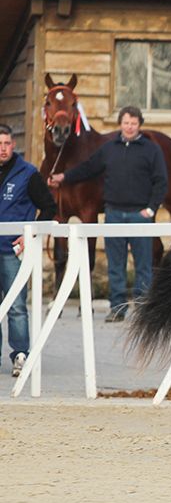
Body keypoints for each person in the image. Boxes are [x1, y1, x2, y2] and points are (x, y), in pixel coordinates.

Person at [48, 107, 167, 322]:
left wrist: (151, 209)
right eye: (126, 123)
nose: (129, 127)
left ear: (139, 125)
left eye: (133, 123)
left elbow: (161, 181)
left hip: (139, 216)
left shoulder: (151, 150)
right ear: (120, 124)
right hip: (113, 215)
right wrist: (63, 177)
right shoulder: (109, 149)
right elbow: (88, 168)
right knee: (116, 265)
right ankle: (117, 308)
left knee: (142, 265)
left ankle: (142, 310)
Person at [0, 124, 58, 376]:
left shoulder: (28, 173)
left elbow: (48, 207)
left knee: (16, 305)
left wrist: (30, 233)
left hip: (13, 250)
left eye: (6, 144)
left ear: (14, 145)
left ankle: (20, 354)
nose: (2, 149)